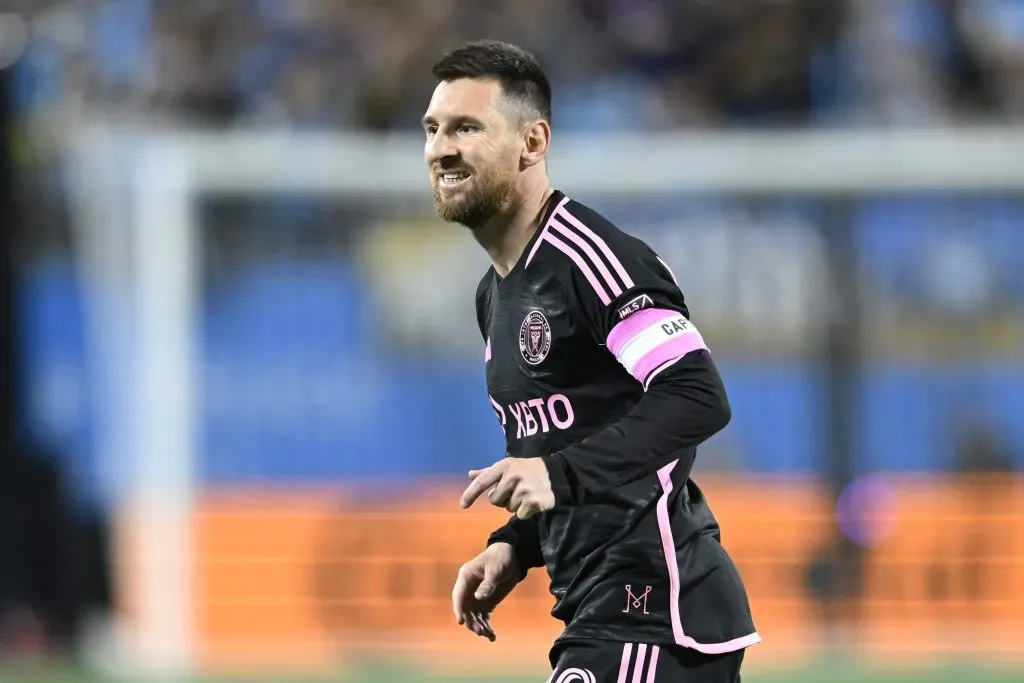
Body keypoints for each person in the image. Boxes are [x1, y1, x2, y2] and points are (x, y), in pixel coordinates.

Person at [423, 40, 760, 683]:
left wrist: (557, 474)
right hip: (607, 612)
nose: (443, 148)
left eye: (467, 127)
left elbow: (695, 393)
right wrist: (515, 548)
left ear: (533, 142)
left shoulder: (591, 259)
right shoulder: (494, 295)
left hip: (652, 609)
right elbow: (576, 443)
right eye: (434, 129)